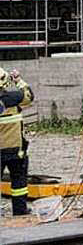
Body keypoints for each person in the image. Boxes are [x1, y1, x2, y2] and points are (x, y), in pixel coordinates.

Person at [0, 67, 34, 216]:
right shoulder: (16, 97)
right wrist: (18, 80)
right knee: (19, 183)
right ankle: (20, 212)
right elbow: (29, 95)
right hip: (16, 151)